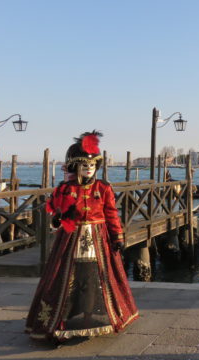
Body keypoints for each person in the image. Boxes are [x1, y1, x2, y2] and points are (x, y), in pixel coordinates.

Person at [26, 131, 138, 341]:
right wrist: (59, 216)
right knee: (66, 278)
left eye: (92, 166)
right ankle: (63, 319)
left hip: (98, 238)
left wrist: (118, 237)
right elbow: (55, 213)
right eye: (85, 166)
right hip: (70, 239)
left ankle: (91, 316)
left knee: (95, 278)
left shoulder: (103, 188)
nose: (89, 169)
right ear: (76, 167)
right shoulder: (66, 189)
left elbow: (111, 213)